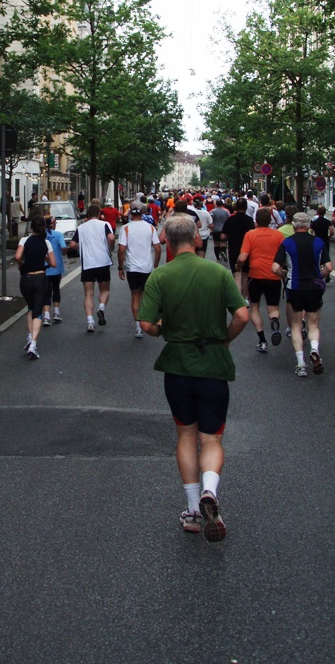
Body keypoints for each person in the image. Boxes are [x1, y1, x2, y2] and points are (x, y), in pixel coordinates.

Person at [138, 214, 249, 541]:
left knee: (186, 435)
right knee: (212, 438)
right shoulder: (218, 272)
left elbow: (146, 325)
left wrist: (162, 330)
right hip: (213, 365)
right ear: (198, 239)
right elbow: (242, 315)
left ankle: (191, 510)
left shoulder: (160, 276)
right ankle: (210, 491)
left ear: (168, 243)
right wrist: (226, 338)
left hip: (178, 366)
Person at [272, 211, 332, 377]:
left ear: (293, 225)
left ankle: (300, 364)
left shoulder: (287, 243)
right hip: (314, 287)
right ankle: (314, 349)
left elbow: (275, 268)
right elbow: (329, 267)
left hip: (295, 287)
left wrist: (285, 275)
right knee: (313, 324)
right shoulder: (318, 242)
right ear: (308, 226)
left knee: (296, 325)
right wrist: (320, 276)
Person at [236, 207, 285, 353]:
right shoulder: (278, 235)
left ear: (256, 220)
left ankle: (262, 340)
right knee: (273, 307)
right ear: (270, 220)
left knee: (255, 306)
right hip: (273, 275)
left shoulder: (250, 235)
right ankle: (274, 319)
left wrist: (238, 266)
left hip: (255, 274)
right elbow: (284, 255)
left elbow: (243, 257)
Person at [117, 201, 161, 338]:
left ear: (130, 213)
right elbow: (158, 248)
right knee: (145, 295)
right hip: (147, 267)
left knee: (135, 295)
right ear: (143, 213)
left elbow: (121, 249)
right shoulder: (150, 228)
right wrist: (156, 263)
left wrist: (120, 266)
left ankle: (138, 327)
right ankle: (146, 321)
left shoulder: (125, 228)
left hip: (132, 267)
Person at [69, 203, 116, 332]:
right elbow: (111, 237)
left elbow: (72, 244)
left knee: (88, 293)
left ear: (88, 215)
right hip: (103, 262)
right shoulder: (104, 224)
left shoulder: (81, 227)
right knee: (105, 290)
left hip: (88, 263)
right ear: (99, 214)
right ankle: (101, 308)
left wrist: (81, 247)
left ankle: (90, 322)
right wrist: (111, 246)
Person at [15, 215, 56, 359]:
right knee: (38, 312)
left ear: (32, 227)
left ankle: (29, 336)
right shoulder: (46, 243)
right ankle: (33, 344)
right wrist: (43, 256)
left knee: (30, 308)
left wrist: (22, 264)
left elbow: (17, 256)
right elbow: (53, 264)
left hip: (25, 279)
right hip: (40, 278)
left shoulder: (24, 240)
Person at [223, 198, 254, 300]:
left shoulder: (230, 219)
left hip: (233, 249)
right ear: (246, 208)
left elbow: (223, 236)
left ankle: (238, 300)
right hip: (247, 251)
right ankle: (244, 299)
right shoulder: (249, 220)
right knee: (245, 276)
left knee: (237, 275)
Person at [42, 216, 67, 326]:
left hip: (44, 267)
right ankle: (56, 312)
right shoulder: (58, 235)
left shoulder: (42, 236)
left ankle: (46, 316)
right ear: (53, 224)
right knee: (56, 289)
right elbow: (63, 248)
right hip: (56, 267)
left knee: (46, 291)